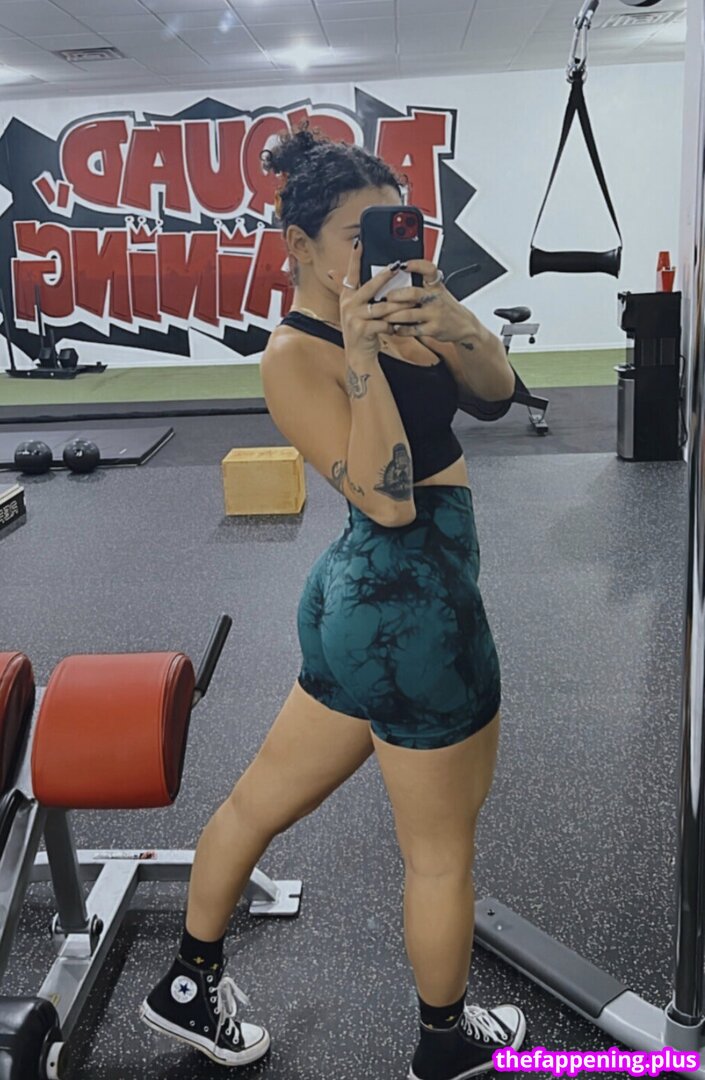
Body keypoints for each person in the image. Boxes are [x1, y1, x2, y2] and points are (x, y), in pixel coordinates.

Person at [139, 119, 526, 1080]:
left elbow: (496, 392)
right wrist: (361, 355)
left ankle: (186, 985)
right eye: (358, 236)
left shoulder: (408, 311)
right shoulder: (295, 354)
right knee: (438, 856)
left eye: (393, 229)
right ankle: (444, 1047)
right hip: (414, 614)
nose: (378, 253)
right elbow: (388, 499)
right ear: (299, 246)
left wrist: (448, 315)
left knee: (256, 803)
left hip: (362, 614)